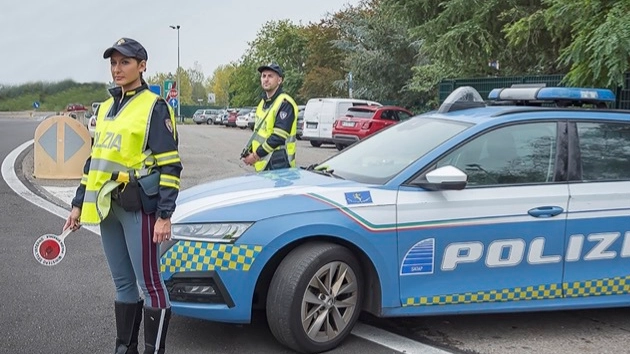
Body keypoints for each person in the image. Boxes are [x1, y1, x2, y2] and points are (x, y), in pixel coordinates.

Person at [63, 37, 182, 354]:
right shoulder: (103, 109)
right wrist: (77, 204)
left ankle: (153, 350)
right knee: (123, 284)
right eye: (113, 62)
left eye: (125, 62)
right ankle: (124, 348)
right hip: (107, 208)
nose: (117, 68)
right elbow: (94, 161)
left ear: (142, 66)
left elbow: (171, 166)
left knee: (151, 284)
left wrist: (165, 215)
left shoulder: (154, 107)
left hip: (137, 206)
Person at [241, 63, 299, 171]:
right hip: (264, 164)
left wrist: (255, 156)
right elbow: (260, 133)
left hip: (280, 163)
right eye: (263, 76)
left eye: (270, 76)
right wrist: (250, 150)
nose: (266, 79)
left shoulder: (285, 103)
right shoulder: (262, 103)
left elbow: (278, 137)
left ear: (279, 80)